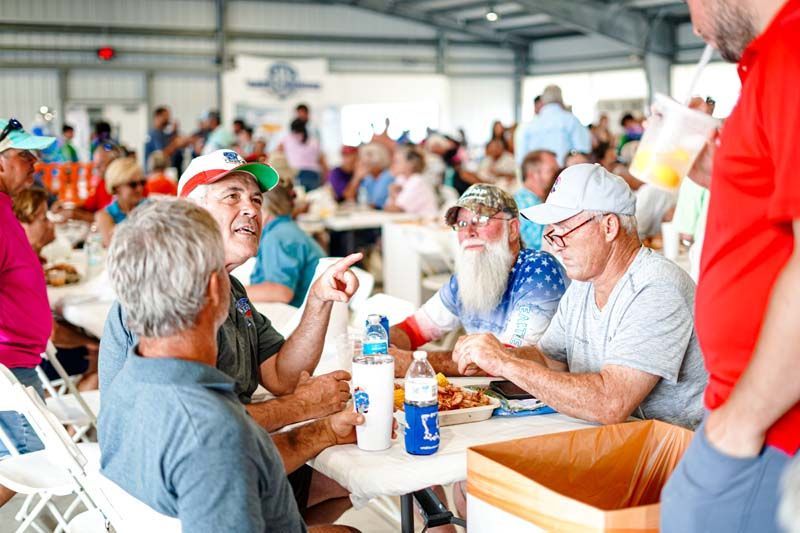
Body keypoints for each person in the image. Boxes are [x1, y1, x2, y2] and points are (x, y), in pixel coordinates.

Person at [99, 149, 361, 521]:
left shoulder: (232, 290)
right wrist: (306, 409)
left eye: (256, 199)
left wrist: (317, 299)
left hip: (209, 474)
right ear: (192, 214)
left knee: (349, 482)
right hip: (186, 493)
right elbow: (204, 429)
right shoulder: (164, 301)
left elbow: (283, 376)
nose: (251, 209)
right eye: (232, 196)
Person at [661, 1, 800, 531]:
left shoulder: (790, 51)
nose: (695, 24)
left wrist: (741, 421)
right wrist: (728, 174)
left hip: (771, 427)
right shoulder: (773, 60)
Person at [454, 164, 707, 430]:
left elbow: (611, 403)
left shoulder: (656, 288)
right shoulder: (584, 284)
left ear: (609, 227)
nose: (555, 246)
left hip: (671, 447)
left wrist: (504, 363)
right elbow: (550, 360)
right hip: (620, 437)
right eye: (551, 233)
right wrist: (497, 354)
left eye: (563, 230)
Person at [389, 184, 568, 377]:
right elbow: (413, 329)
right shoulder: (469, 276)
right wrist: (381, 344)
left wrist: (413, 363)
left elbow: (509, 360)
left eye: (481, 220)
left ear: (513, 229)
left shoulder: (538, 271)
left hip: (528, 392)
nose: (469, 231)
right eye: (462, 223)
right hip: (486, 391)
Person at [0, 118, 56, 508]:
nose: (34, 162)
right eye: (24, 155)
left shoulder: (5, 209)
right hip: (9, 366)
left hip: (17, 363)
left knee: (23, 464)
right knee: (28, 464)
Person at [248, 180, 324, 307]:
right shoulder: (285, 228)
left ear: (263, 207)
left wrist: (232, 293)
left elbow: (281, 292)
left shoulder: (276, 236)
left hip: (298, 312)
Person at [517, 85, 591, 166]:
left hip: (537, 171)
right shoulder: (571, 120)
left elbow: (521, 158)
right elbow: (583, 148)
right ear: (561, 98)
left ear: (543, 100)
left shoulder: (529, 125)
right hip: (564, 170)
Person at [95, 157, 148, 247]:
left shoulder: (151, 207)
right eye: (133, 185)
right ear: (116, 188)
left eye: (142, 183)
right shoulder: (104, 216)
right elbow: (115, 247)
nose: (140, 189)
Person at [514, 150, 560, 250]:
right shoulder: (524, 205)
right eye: (552, 171)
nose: (559, 177)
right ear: (533, 175)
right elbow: (542, 245)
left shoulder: (538, 200)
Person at [384, 146, 438, 217]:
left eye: (396, 161)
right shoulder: (401, 179)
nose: (392, 165)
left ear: (410, 164)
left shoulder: (417, 181)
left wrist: (392, 194)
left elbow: (397, 209)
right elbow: (387, 207)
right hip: (410, 221)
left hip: (426, 222)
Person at [343, 143, 394, 209]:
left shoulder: (387, 176)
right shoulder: (369, 178)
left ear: (377, 162)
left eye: (365, 163)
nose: (360, 164)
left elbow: (375, 203)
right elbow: (348, 196)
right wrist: (356, 178)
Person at [280, 119, 326, 191]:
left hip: (296, 174)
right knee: (314, 197)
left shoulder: (288, 138)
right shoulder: (313, 141)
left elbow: (277, 153)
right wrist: (325, 177)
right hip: (313, 174)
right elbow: (321, 160)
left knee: (299, 196)